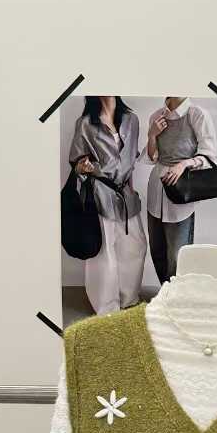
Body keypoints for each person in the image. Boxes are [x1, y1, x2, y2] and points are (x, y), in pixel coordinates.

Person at [68, 96, 146, 316]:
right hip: (100, 193)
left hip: (126, 193)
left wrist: (132, 190)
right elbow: (76, 163)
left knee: (135, 246)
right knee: (105, 254)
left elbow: (131, 159)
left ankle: (128, 299)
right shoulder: (85, 123)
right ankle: (106, 306)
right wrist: (82, 167)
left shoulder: (132, 120)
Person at [145, 96, 217, 284]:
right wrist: (152, 135)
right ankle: (166, 292)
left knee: (178, 255)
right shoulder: (156, 116)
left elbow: (209, 155)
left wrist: (184, 164)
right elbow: (153, 157)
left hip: (181, 191)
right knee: (157, 249)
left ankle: (177, 296)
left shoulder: (197, 114)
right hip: (156, 190)